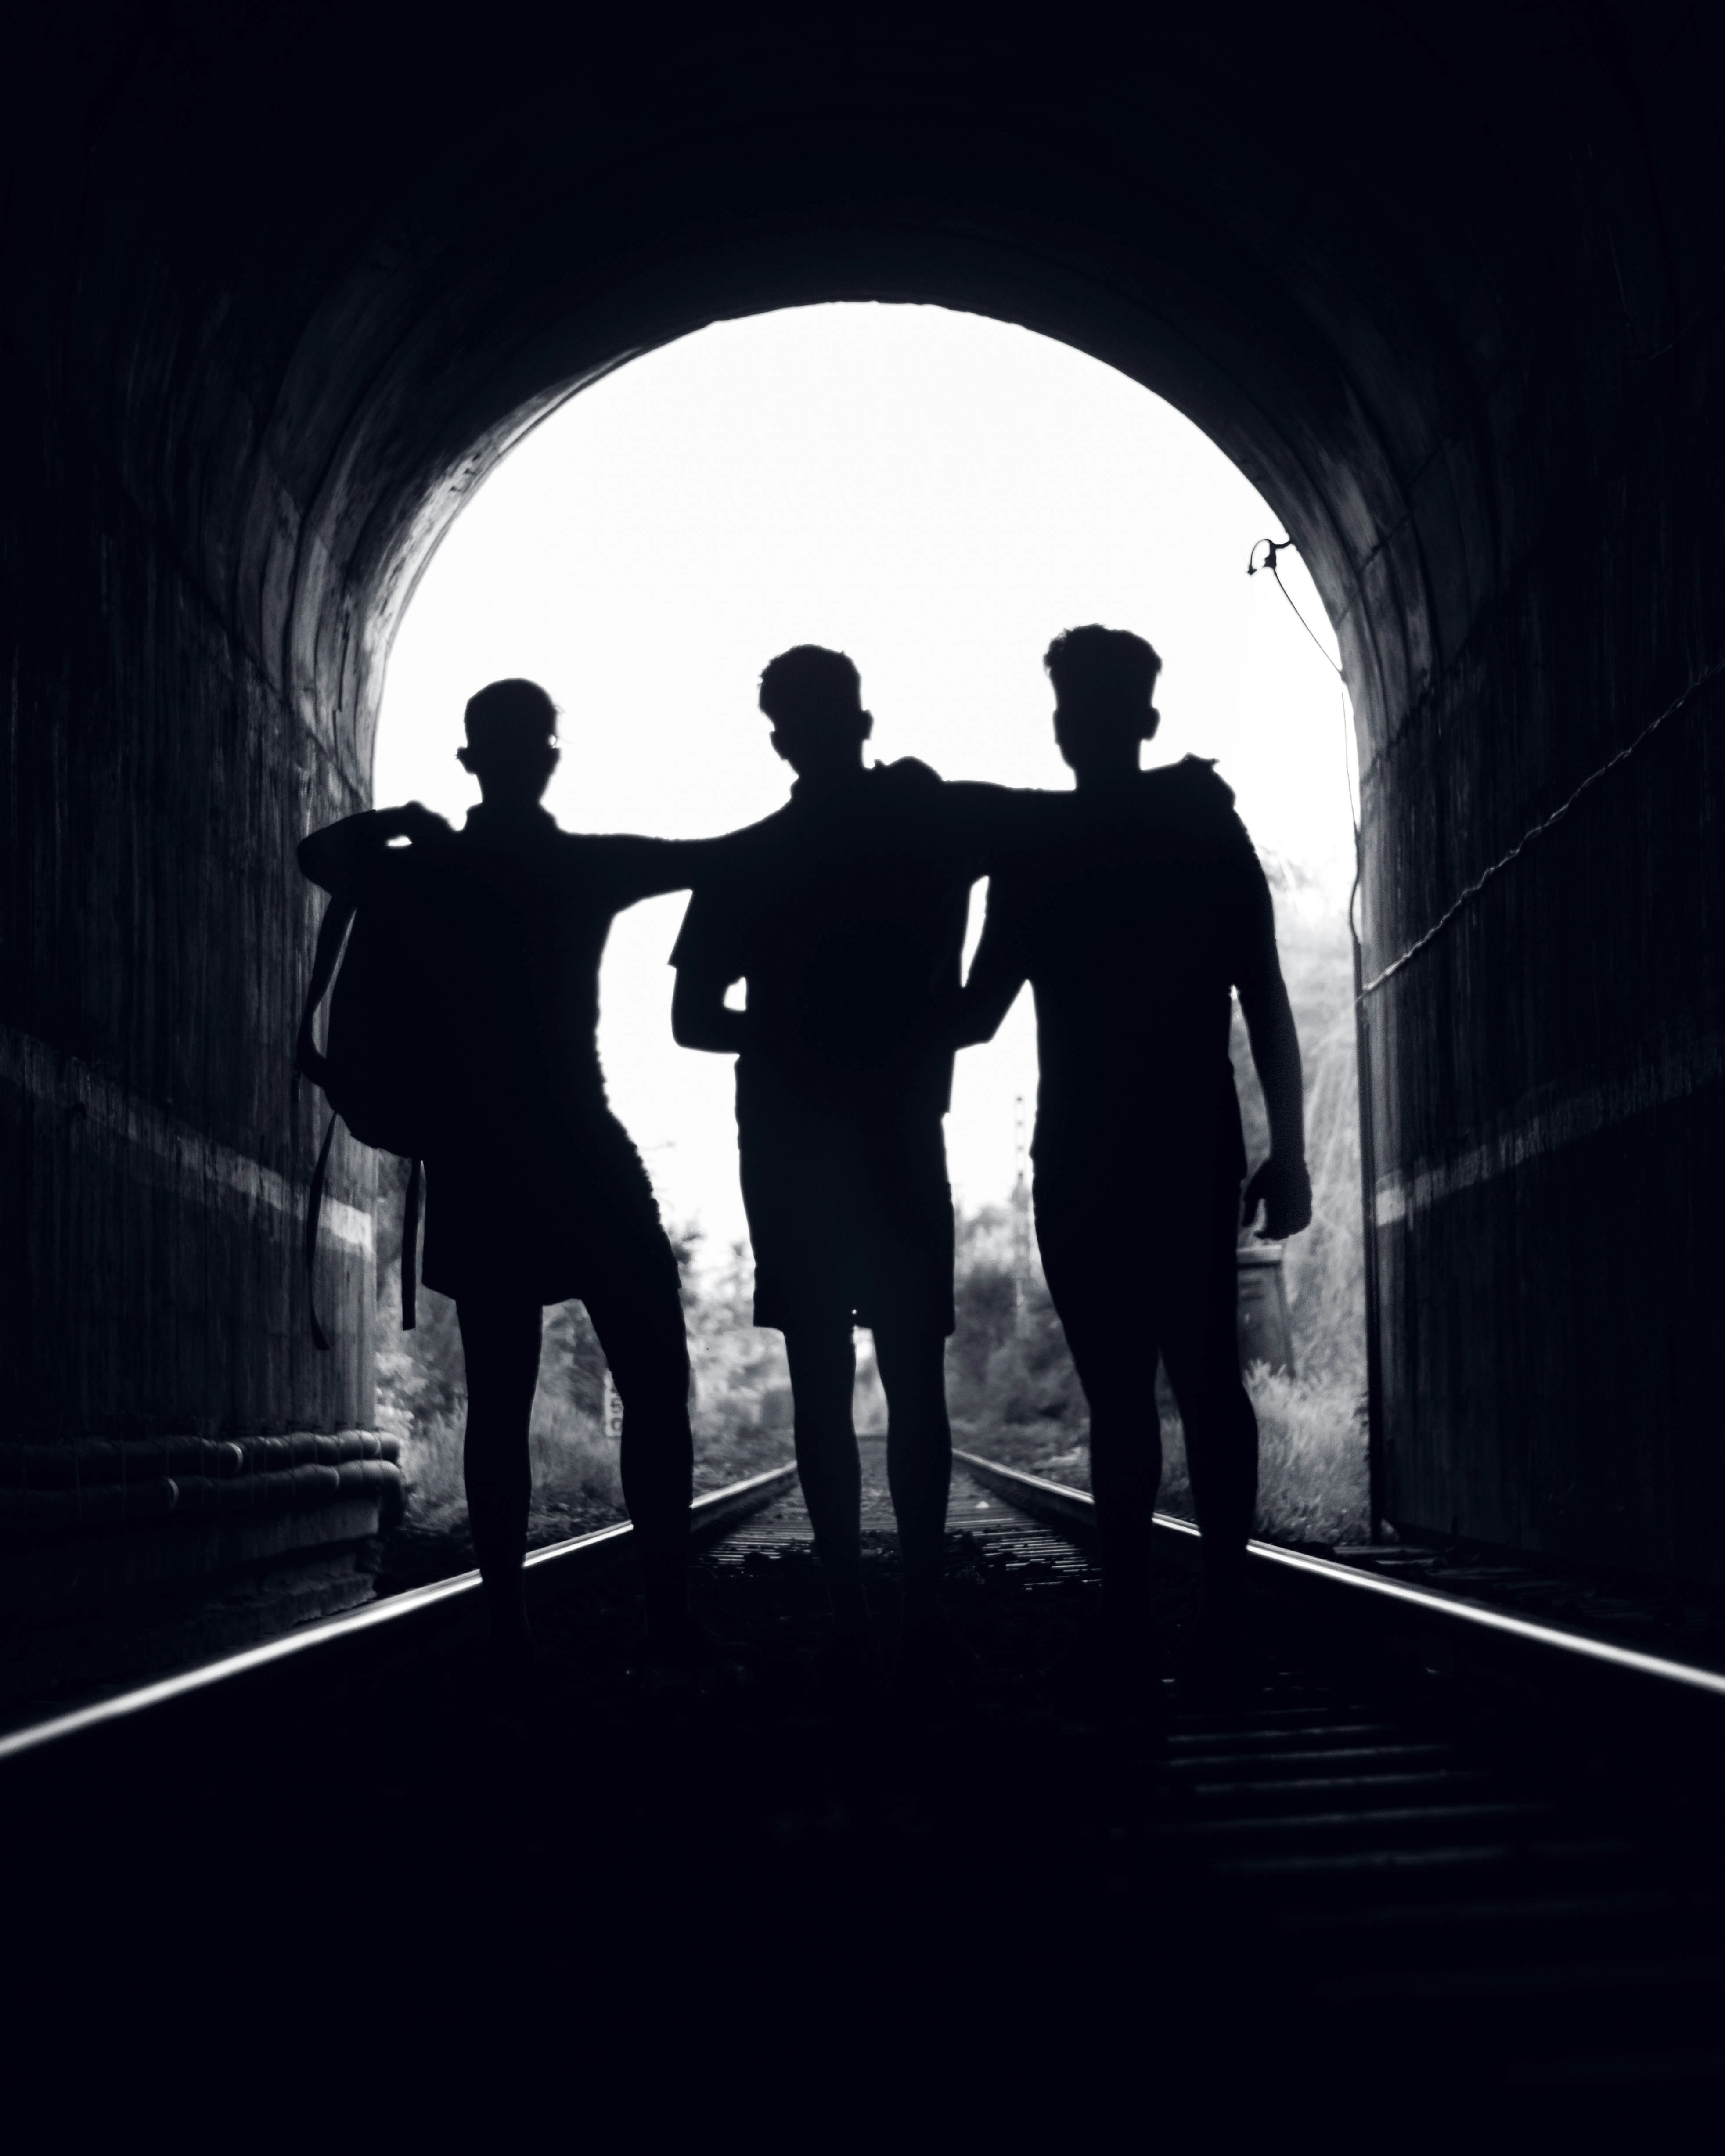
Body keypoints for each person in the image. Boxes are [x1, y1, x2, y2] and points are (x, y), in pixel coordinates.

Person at [299, 678, 715, 1684]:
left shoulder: (422, 871)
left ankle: (509, 1628)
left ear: (469, 760)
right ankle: (667, 1621)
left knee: (498, 1398)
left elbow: (317, 856)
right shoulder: (580, 866)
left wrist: (400, 822)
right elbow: (714, 858)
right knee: (655, 1380)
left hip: (477, 1158)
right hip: (581, 1150)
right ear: (549, 757)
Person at [951, 626, 1311, 1702]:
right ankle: (1221, 1616)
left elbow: (972, 1015)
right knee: (1208, 1382)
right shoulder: (1205, 830)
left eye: (1080, 709)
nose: (1078, 726)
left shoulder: (1036, 849)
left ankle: (1127, 1620)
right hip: (1189, 1142)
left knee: (1121, 1394)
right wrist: (1287, 1150)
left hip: (1083, 1150)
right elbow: (1264, 997)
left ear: (1075, 724)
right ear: (1144, 718)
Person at [669, 646, 1006, 1696]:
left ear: (780, 737)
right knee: (914, 1378)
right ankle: (921, 1615)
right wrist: (965, 1008)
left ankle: (852, 1619)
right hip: (899, 1132)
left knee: (821, 1380)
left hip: (789, 1144)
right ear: (862, 718)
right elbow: (1031, 844)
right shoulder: (929, 828)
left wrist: (790, 1032)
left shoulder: (753, 855)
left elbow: (690, 1019)